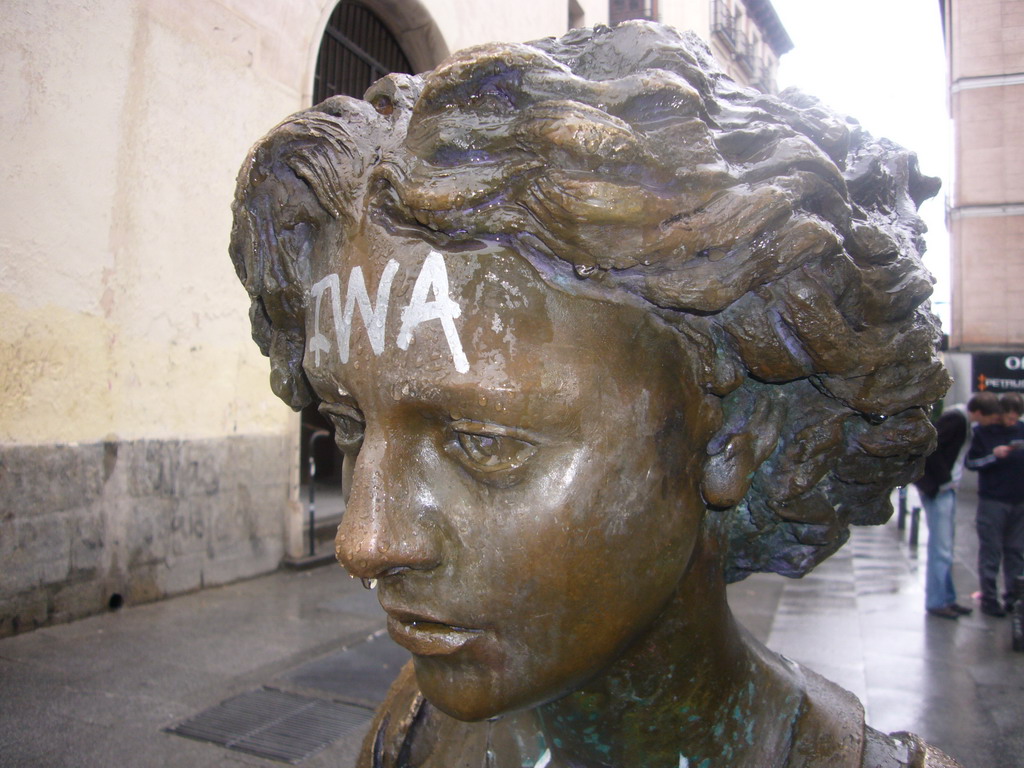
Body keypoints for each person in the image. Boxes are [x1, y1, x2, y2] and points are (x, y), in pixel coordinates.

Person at [230, 22, 958, 768]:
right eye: (351, 426)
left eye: (484, 442)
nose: (365, 541)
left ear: (734, 441)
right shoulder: (411, 735)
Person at [914, 393, 1002, 619]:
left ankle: (947, 598)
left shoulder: (961, 418)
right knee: (941, 549)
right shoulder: (957, 419)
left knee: (945, 548)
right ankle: (937, 601)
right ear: (980, 413)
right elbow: (931, 449)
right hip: (940, 490)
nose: (993, 422)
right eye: (991, 417)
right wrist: (943, 482)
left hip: (944, 489)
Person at [967, 392, 1024, 617]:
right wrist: (993, 456)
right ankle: (989, 599)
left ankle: (1014, 598)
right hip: (993, 500)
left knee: (1016, 552)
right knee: (991, 551)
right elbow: (971, 462)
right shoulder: (983, 432)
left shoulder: (1021, 430)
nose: (1011, 422)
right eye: (1008, 417)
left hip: (1019, 501)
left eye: (1016, 418)